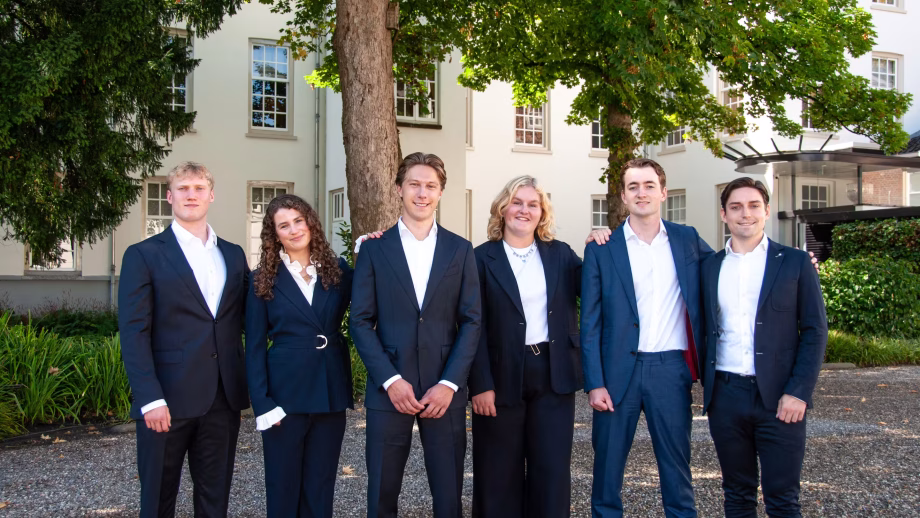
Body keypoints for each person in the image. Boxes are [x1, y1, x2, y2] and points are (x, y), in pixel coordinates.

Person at [349, 152, 481, 518]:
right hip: (390, 389)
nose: (422, 193)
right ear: (399, 189)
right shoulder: (374, 248)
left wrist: (450, 384)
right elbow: (360, 320)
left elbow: (472, 320)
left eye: (430, 186)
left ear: (440, 192)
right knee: (381, 494)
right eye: (414, 184)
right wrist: (390, 380)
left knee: (449, 497)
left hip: (444, 390)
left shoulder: (460, 249)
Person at [119, 161, 250, 518]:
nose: (191, 195)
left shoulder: (233, 254)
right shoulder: (144, 255)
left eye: (198, 188)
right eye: (183, 188)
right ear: (169, 196)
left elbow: (253, 315)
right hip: (167, 401)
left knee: (214, 500)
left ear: (211, 195)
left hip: (223, 399)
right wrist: (149, 398)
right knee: (158, 501)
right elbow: (134, 332)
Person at [580, 158, 709, 518]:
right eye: (633, 186)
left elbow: (726, 268)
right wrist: (594, 382)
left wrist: (792, 262)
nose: (642, 193)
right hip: (615, 373)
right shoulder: (602, 248)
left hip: (670, 369)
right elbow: (589, 322)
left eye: (649, 185)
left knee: (676, 468)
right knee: (607, 471)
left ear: (663, 192)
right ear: (623, 195)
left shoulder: (687, 239)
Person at [700, 177, 827, 518]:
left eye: (754, 205)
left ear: (767, 211)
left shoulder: (795, 262)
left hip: (781, 397)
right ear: (724, 214)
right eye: (736, 207)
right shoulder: (709, 267)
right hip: (725, 395)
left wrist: (799, 392)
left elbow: (815, 330)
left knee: (783, 499)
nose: (746, 214)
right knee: (736, 495)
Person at [468, 175, 584, 518]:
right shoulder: (479, 258)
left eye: (533, 204)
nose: (524, 210)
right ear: (503, 208)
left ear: (542, 212)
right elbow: (472, 326)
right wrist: (480, 384)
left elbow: (596, 287)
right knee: (497, 472)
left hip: (552, 372)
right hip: (500, 375)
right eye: (517, 202)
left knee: (551, 471)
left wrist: (602, 243)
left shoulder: (561, 254)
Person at [245, 194, 354, 517]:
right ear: (274, 234)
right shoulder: (262, 279)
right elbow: (253, 346)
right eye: (284, 226)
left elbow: (371, 299)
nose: (294, 230)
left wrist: (373, 245)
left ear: (310, 223)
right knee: (283, 485)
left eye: (298, 221)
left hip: (329, 390)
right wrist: (262, 403)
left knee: (321, 485)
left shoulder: (338, 272)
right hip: (283, 397)